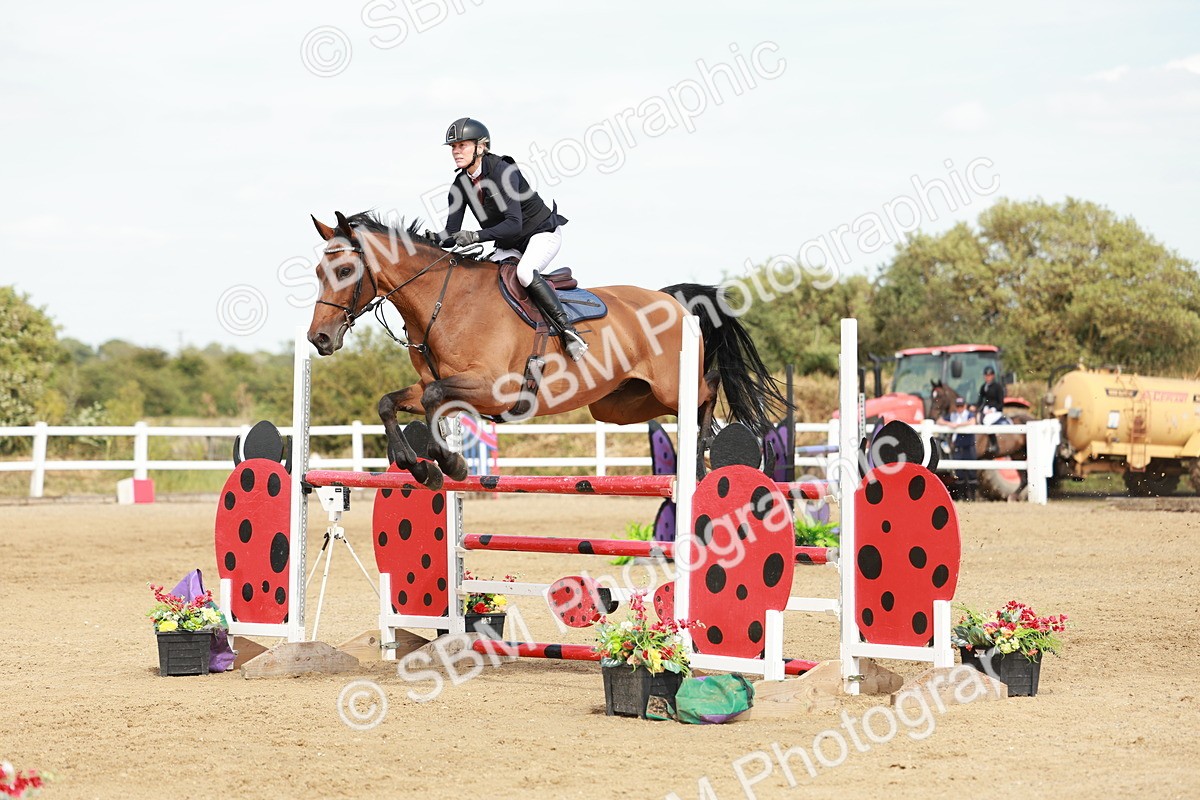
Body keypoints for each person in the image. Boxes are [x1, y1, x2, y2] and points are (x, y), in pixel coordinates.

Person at [437, 117, 587, 361]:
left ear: (480, 147)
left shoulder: (503, 171)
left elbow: (513, 224)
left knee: (525, 273)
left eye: (462, 145)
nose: (456, 151)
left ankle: (569, 331)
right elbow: (451, 233)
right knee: (485, 278)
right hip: (510, 244)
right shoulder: (460, 184)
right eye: (453, 146)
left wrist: (475, 236)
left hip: (540, 233)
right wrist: (431, 240)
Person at [941, 396, 977, 499]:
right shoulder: (953, 416)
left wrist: (958, 425)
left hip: (968, 447)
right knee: (959, 474)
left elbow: (972, 421)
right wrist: (949, 424)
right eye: (958, 406)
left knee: (971, 473)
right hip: (958, 447)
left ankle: (972, 497)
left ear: (965, 406)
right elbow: (939, 421)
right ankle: (961, 497)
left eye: (961, 406)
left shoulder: (969, 414)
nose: (959, 408)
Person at [976, 365, 1005, 456]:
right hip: (986, 409)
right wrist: (975, 408)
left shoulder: (998, 387)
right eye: (986, 376)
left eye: (989, 376)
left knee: (986, 421)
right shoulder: (983, 386)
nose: (987, 378)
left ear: (993, 376)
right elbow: (980, 400)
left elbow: (1001, 403)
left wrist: (992, 410)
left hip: (996, 410)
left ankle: (994, 444)